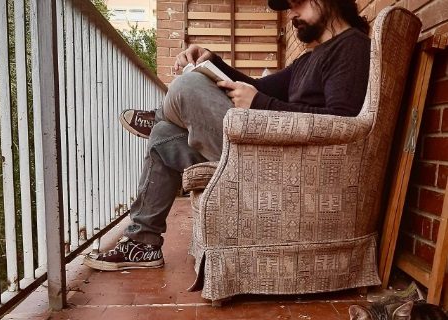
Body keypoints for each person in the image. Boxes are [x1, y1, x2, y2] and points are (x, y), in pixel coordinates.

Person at [84, 0, 371, 271]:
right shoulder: (308, 60)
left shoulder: (351, 46)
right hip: (269, 151)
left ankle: (162, 114)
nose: (291, 13)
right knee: (163, 136)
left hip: (287, 168)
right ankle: (142, 242)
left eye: (296, 2)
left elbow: (342, 122)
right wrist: (212, 60)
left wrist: (259, 103)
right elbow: (259, 86)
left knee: (186, 86)